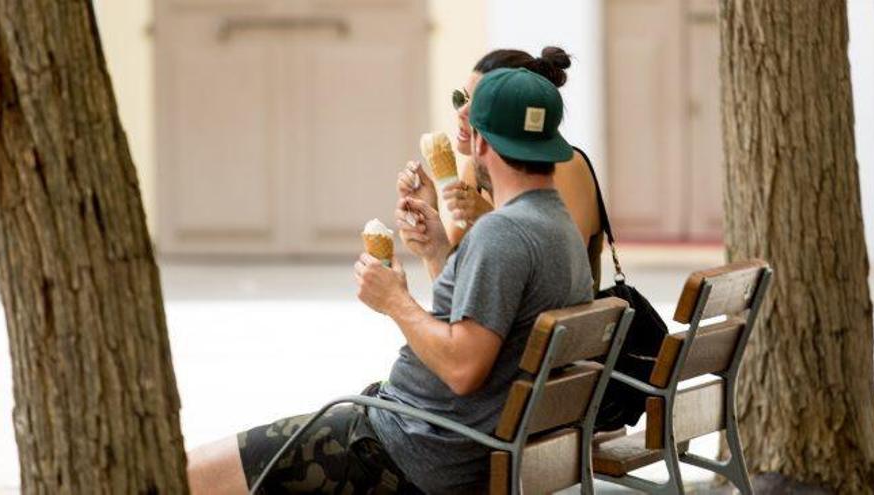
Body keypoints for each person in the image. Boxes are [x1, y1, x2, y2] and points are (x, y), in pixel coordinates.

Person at [186, 68, 592, 494]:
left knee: (193, 473)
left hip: (404, 449)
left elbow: (463, 368)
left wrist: (395, 301)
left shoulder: (502, 234)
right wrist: (438, 250)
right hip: (445, 439)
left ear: (482, 143)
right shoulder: (558, 227)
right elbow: (483, 331)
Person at [398, 47, 605, 291]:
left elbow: (559, 280)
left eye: (479, 104)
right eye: (460, 98)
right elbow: (453, 293)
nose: (462, 112)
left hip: (553, 325)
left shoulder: (557, 166)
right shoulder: (474, 169)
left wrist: (395, 301)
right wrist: (431, 236)